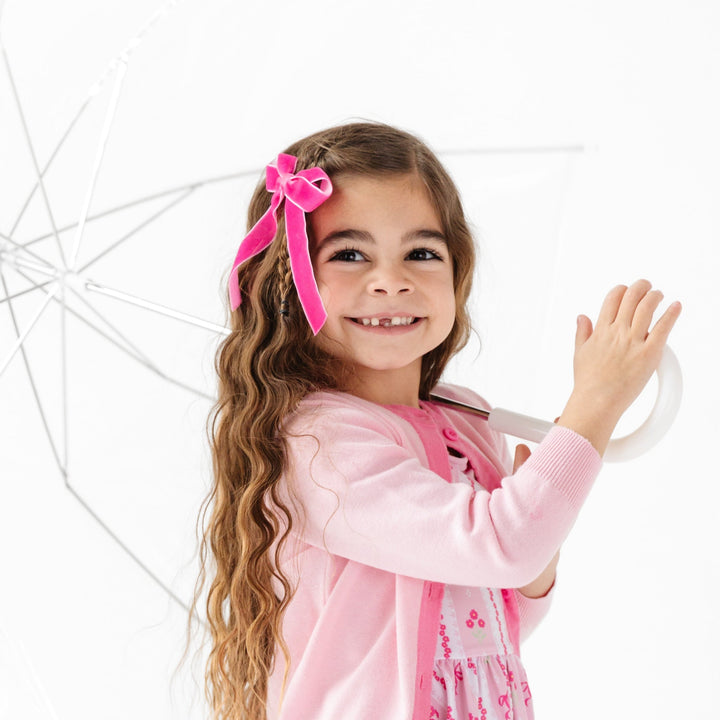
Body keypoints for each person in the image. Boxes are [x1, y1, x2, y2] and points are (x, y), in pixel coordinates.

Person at [192, 121, 681, 720]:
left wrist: (538, 541)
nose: (391, 280)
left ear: (457, 270)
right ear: (290, 283)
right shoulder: (319, 443)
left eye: (421, 253)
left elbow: (493, 618)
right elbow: (502, 545)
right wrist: (596, 404)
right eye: (349, 254)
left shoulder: (468, 420)